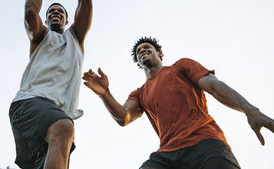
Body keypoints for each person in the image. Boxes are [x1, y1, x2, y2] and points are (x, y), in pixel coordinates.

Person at [83, 36, 274, 169]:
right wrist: (105, 93)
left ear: (159, 52)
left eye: (147, 47)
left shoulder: (181, 67)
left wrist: (250, 110)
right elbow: (123, 117)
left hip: (206, 144)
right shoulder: (140, 93)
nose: (142, 51)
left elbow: (215, 87)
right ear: (139, 63)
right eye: (139, 52)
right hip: (167, 155)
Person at [9, 0, 93, 169]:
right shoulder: (40, 37)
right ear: (46, 20)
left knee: (63, 138)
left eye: (60, 12)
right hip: (30, 103)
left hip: (55, 120)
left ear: (67, 20)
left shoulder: (75, 38)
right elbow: (29, 11)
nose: (56, 13)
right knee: (65, 127)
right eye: (51, 12)